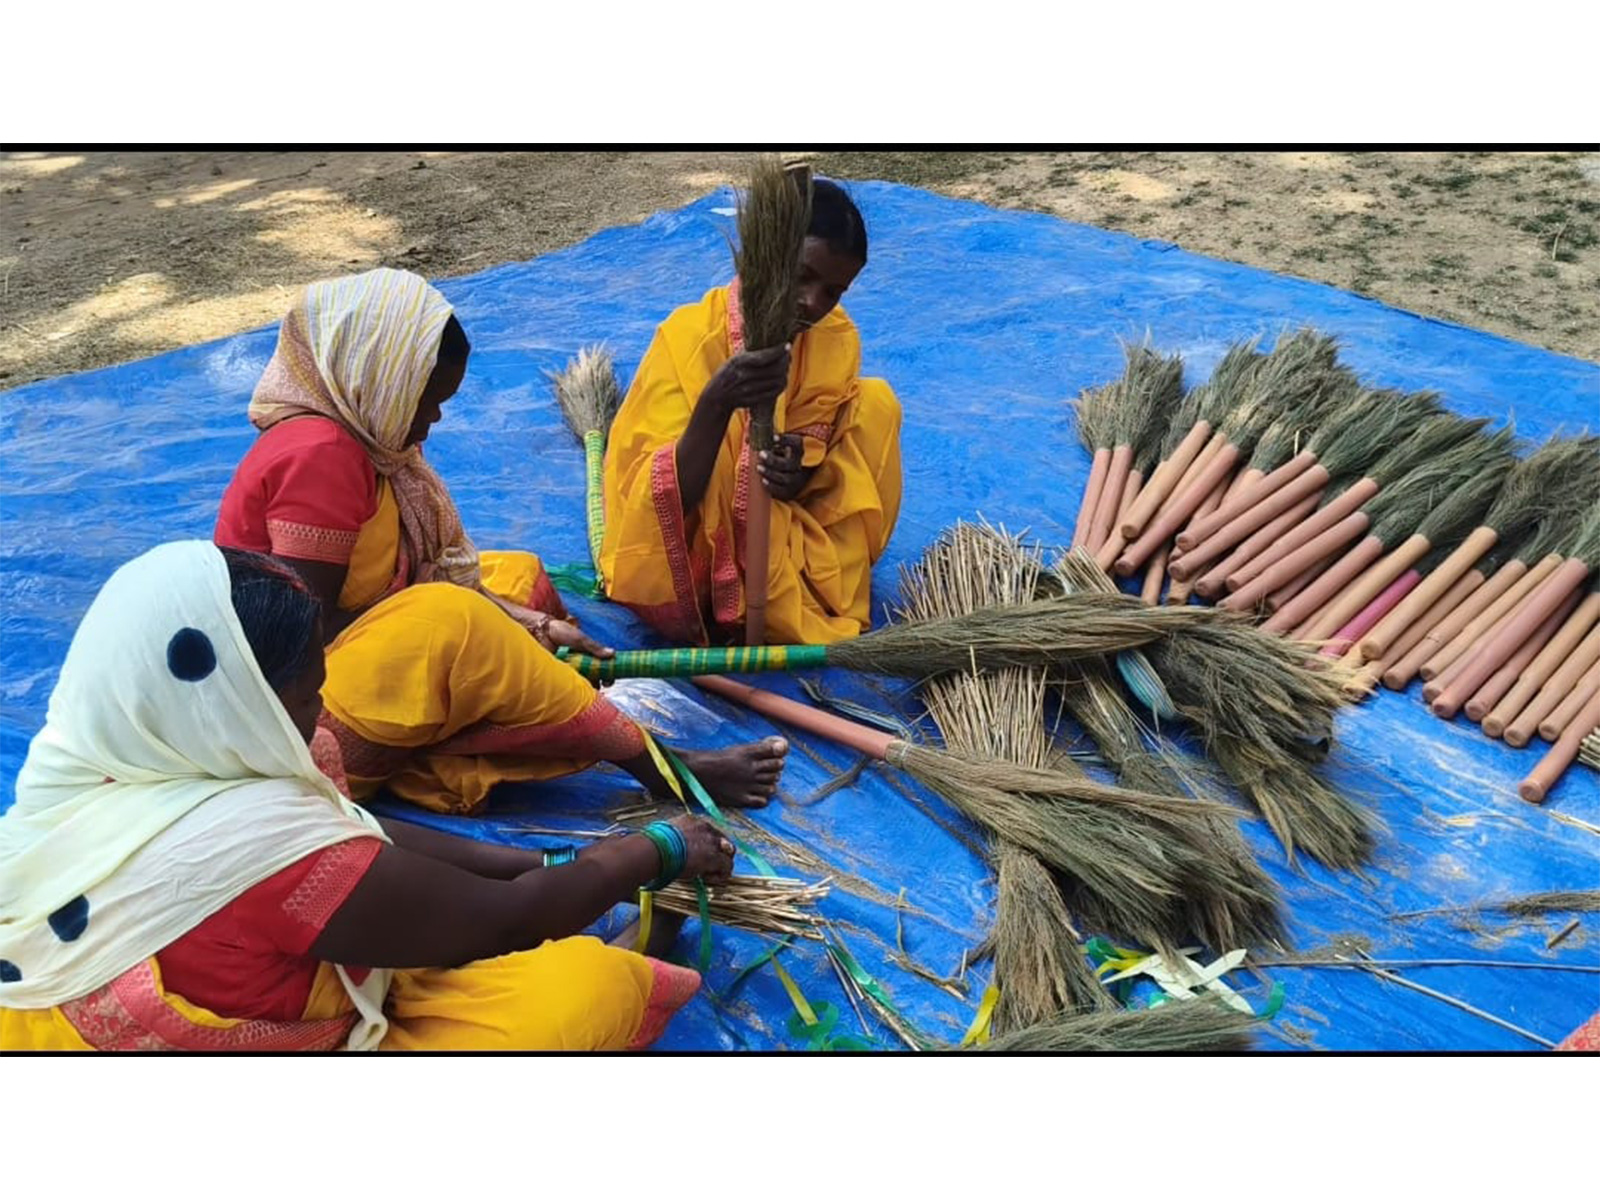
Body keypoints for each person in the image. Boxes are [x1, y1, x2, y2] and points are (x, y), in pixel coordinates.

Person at [0, 542, 727, 1051]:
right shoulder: (257, 849)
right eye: (305, 698)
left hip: (61, 1005)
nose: (321, 712)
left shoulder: (98, 756)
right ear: (238, 705)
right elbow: (501, 921)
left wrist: (546, 863)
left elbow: (354, 834)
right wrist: (656, 850)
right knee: (591, 993)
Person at [214, 267, 786, 816]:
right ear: (377, 379)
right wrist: (483, 632)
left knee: (516, 580)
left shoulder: (361, 437)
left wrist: (528, 623)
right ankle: (663, 767)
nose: (435, 418)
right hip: (293, 721)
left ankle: (514, 698)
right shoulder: (321, 456)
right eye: (426, 399)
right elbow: (303, 641)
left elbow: (408, 576)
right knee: (457, 619)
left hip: (345, 650)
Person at [599, 178, 903, 646]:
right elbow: (655, 494)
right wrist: (717, 403)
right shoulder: (689, 337)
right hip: (699, 550)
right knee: (728, 446)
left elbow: (816, 445)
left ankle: (808, 585)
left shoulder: (835, 337)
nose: (813, 303)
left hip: (784, 527)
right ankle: (735, 599)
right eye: (802, 277)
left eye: (833, 291)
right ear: (765, 258)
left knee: (877, 404)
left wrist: (797, 468)